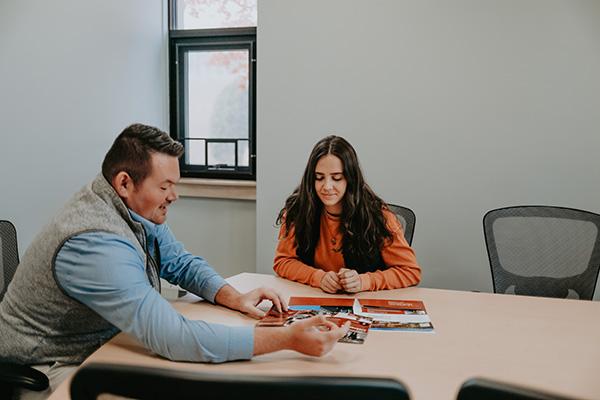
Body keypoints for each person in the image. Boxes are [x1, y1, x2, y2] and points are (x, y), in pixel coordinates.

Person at [0, 124, 348, 399]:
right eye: (165, 185)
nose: (174, 196)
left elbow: (180, 262)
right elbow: (173, 338)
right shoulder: (94, 241)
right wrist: (286, 339)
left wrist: (233, 296)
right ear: (125, 182)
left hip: (103, 343)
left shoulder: (129, 210)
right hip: (46, 368)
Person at [274, 135, 421, 293]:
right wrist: (317, 277)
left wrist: (364, 281)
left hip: (365, 306)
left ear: (350, 179)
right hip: (316, 305)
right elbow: (282, 262)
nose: (327, 186)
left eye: (337, 178)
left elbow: (410, 271)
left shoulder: (380, 218)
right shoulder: (298, 211)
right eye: (319, 178)